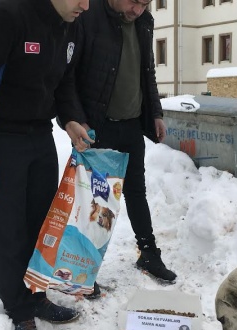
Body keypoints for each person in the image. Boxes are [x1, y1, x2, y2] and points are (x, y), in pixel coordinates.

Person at [0, 0, 94, 330]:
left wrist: (71, 120)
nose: (85, 5)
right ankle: (20, 312)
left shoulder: (71, 24)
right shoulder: (7, 16)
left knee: (41, 225)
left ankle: (36, 296)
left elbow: (64, 83)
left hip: (39, 136)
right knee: (8, 230)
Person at [61, 0, 176, 299]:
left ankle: (148, 253)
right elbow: (67, 74)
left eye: (145, 3)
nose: (138, 9)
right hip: (96, 126)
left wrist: (156, 114)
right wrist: (75, 119)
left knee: (137, 191)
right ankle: (83, 268)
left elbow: (146, 72)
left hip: (132, 124)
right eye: (133, 1)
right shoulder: (88, 16)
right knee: (95, 198)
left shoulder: (143, 21)